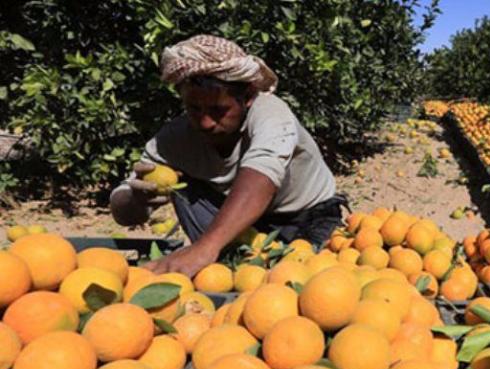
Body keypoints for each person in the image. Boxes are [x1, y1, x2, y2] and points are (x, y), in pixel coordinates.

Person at [110, 35, 345, 277]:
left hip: (306, 218)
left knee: (302, 279)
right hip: (240, 226)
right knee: (184, 187)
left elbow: (261, 175)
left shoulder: (271, 113)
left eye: (218, 110)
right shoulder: (175, 138)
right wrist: (136, 200)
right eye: (194, 108)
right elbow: (122, 208)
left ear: (248, 97)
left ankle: (213, 252)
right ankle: (221, 259)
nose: (205, 122)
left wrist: (204, 248)